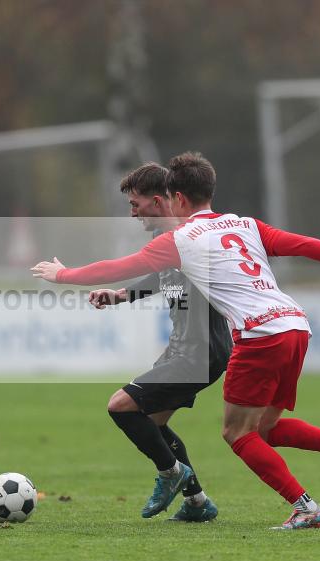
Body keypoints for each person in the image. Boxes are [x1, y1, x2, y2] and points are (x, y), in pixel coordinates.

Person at [32, 152, 320, 529]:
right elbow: (304, 244)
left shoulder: (181, 239)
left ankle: (306, 507)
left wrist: (63, 275)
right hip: (294, 325)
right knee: (265, 430)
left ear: (176, 198)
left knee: (236, 433)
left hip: (259, 335)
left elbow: (115, 267)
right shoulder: (244, 224)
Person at [89, 162, 230, 521]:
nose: (132, 213)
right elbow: (161, 279)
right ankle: (197, 503)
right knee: (152, 422)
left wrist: (64, 275)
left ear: (157, 200)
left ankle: (172, 473)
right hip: (191, 349)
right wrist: (120, 295)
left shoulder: (190, 236)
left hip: (198, 351)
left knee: (120, 406)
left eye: (135, 205)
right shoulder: (165, 241)